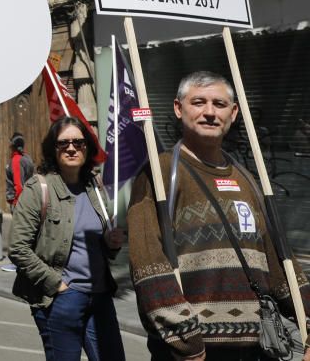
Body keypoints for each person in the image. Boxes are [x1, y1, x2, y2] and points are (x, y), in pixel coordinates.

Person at [128, 71, 310, 361]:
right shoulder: (159, 174)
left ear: (234, 112)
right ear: (178, 108)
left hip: (256, 348)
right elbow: (147, 262)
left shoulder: (248, 178)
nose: (210, 112)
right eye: (198, 102)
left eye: (220, 104)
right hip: (193, 352)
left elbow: (277, 262)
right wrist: (185, 340)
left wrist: (307, 321)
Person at [8, 116, 125, 361]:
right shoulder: (38, 189)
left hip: (100, 295)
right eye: (63, 143)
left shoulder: (94, 185)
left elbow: (94, 244)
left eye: (78, 142)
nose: (71, 148)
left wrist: (110, 243)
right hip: (61, 299)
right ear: (53, 148)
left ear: (87, 147)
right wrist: (58, 285)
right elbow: (18, 248)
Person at [5, 132, 35, 208]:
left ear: (12, 146)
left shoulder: (16, 160)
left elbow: (18, 186)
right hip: (29, 201)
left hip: (20, 204)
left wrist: (16, 204)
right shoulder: (27, 158)